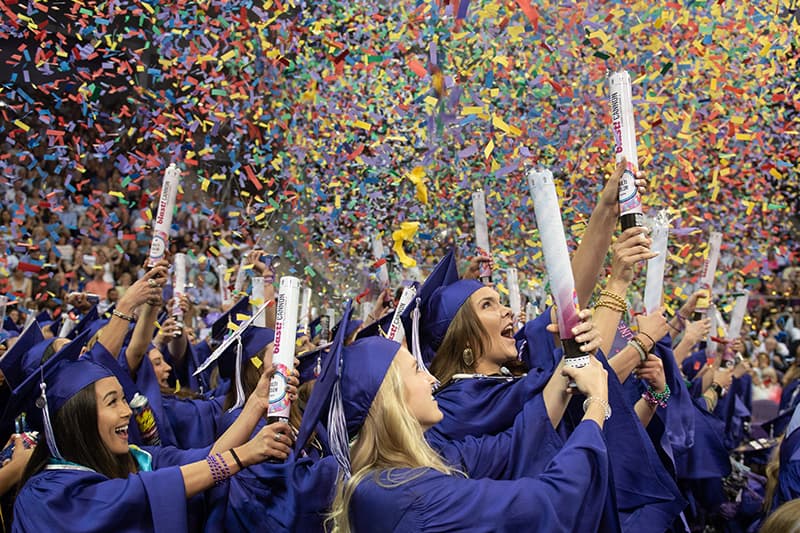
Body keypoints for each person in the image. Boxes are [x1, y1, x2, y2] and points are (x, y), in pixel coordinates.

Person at [316, 319, 612, 532]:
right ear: (389, 398)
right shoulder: (406, 496)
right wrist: (597, 404)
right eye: (417, 371)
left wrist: (571, 353)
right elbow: (548, 501)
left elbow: (514, 444)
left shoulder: (404, 468)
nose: (432, 380)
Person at [12, 351, 295, 532]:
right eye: (113, 402)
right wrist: (241, 456)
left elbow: (207, 463)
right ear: (79, 419)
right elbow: (140, 494)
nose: (127, 411)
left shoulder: (136, 458)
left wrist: (256, 403)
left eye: (124, 398)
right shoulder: (48, 495)